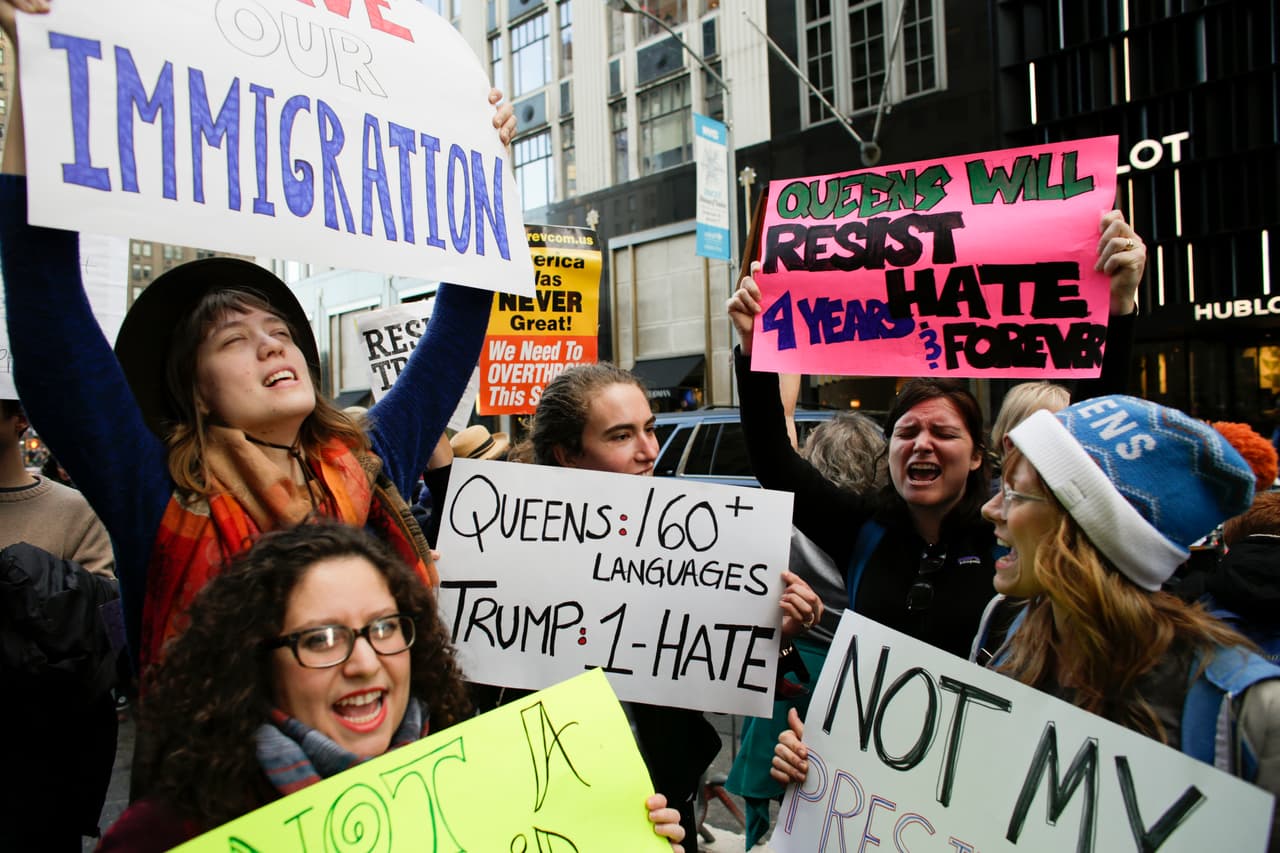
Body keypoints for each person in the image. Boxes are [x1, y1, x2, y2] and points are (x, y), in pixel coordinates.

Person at [0, 0, 516, 672]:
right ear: (198, 392)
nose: (272, 344)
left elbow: (453, 337)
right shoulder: (153, 492)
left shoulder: (368, 462)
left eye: (279, 330)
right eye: (234, 340)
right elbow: (50, 320)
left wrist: (485, 169)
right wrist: (39, 77)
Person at [775, 395, 1280, 848]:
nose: (992, 508)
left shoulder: (1246, 714)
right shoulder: (1007, 635)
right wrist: (831, 764)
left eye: (1015, 494)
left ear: (1080, 529)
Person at [97, 522, 687, 850]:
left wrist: (621, 838)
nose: (364, 663)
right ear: (256, 659)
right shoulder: (164, 837)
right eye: (322, 638)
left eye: (383, 627)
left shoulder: (501, 792)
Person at [725, 210, 1146, 662]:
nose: (922, 443)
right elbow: (774, 461)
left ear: (978, 457)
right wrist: (753, 349)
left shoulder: (1010, 533)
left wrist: (1118, 310)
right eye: (906, 432)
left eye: (942, 432)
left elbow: (1082, 461)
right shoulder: (861, 529)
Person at [521, 362, 823, 852]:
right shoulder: (513, 560)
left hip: (668, 807)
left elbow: (734, 671)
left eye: (650, 429)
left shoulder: (686, 547)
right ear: (568, 455)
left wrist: (777, 638)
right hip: (554, 819)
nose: (649, 452)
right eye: (622, 436)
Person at [726, 410, 888, 848]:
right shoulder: (883, 534)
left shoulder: (787, 528)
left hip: (796, 675)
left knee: (784, 813)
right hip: (852, 682)